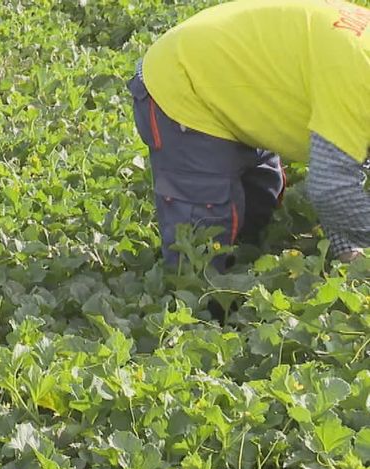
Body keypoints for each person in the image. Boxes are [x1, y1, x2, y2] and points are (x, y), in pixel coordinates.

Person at [128, 0, 370, 270]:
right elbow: (333, 188)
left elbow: (343, 174)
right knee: (203, 249)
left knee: (258, 208)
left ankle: (239, 280)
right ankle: (201, 304)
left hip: (240, 82)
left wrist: (349, 248)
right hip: (187, 83)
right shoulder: (357, 77)